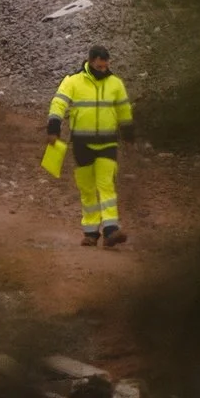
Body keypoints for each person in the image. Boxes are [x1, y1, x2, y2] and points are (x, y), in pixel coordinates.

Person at [46, 45, 134, 247]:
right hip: (82, 143)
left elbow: (124, 109)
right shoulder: (73, 81)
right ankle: (91, 232)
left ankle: (111, 229)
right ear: (91, 61)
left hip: (108, 142)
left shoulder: (115, 83)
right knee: (86, 188)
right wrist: (53, 127)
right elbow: (58, 103)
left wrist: (128, 133)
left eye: (106, 66)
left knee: (106, 185)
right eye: (99, 66)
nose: (103, 70)